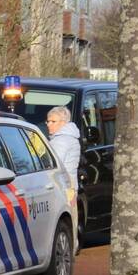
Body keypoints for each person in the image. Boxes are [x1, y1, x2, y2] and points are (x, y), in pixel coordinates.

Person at [46, 105, 81, 250]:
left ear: (63, 122)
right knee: (71, 219)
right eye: (48, 121)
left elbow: (53, 164)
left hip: (63, 186)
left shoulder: (61, 140)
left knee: (64, 222)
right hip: (70, 185)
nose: (48, 124)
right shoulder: (70, 138)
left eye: (53, 121)